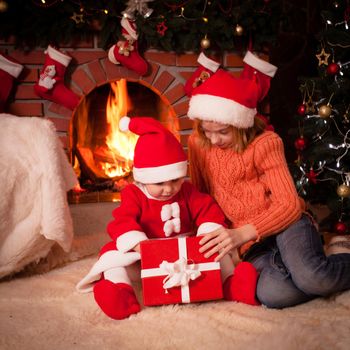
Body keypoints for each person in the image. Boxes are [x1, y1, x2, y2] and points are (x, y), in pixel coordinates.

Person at [185, 51, 350, 309]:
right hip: (251, 248)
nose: (214, 139)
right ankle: (308, 264)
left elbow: (290, 205)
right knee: (273, 295)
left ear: (240, 124)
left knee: (314, 278)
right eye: (207, 131)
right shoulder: (197, 145)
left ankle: (318, 266)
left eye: (223, 132)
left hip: (286, 225)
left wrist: (243, 232)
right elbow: (201, 200)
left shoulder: (265, 143)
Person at [76, 116, 259, 320]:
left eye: (175, 180)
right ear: (143, 179)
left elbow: (208, 210)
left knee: (216, 248)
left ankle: (231, 285)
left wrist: (207, 234)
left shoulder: (187, 192)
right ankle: (121, 293)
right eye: (160, 183)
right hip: (145, 256)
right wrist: (140, 247)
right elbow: (122, 221)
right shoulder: (133, 194)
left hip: (186, 255)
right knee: (112, 258)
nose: (169, 188)